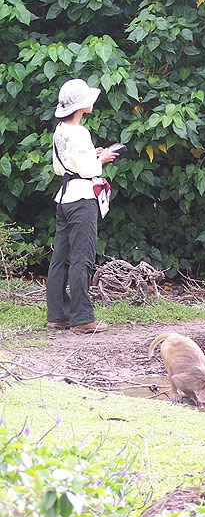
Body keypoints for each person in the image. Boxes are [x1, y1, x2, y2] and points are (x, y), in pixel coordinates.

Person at [46, 78, 118, 334]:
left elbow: (60, 167)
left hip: (64, 197)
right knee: (82, 258)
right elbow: (88, 170)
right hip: (82, 199)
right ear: (81, 105)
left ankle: (57, 315)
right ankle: (82, 318)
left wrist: (92, 156)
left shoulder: (60, 131)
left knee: (60, 259)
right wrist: (103, 158)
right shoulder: (80, 132)